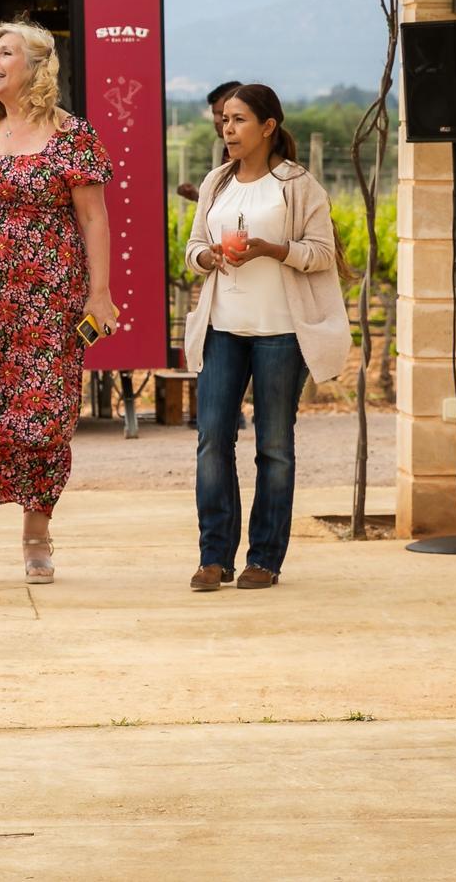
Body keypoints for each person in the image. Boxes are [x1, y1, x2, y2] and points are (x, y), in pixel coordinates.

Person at [0, 22, 117, 588]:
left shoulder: (71, 135)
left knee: (43, 412)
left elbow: (93, 219)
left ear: (36, 66)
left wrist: (98, 293)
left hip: (49, 294)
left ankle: (37, 537)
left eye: (5, 52)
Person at [182, 83, 351, 592]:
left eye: (238, 120)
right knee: (212, 439)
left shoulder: (298, 185)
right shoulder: (217, 181)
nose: (227, 129)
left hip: (282, 332)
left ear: (268, 127)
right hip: (222, 329)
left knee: (274, 446)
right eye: (224, 120)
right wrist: (211, 257)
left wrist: (270, 249)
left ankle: (265, 559)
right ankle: (214, 556)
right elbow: (192, 250)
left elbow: (322, 254)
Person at [174, 81, 243, 203]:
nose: (216, 120)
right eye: (214, 114)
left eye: (222, 115)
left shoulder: (252, 156)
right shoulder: (228, 150)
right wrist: (197, 196)